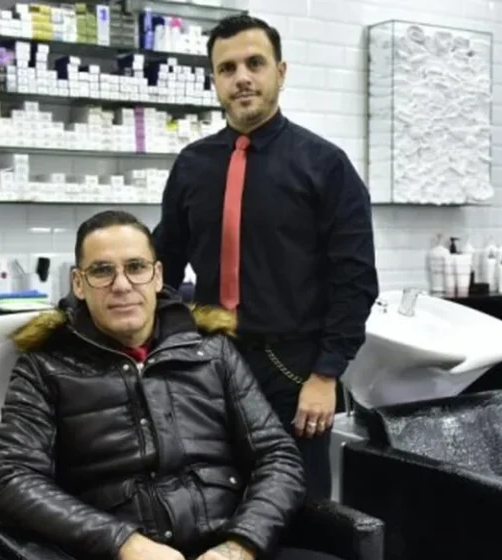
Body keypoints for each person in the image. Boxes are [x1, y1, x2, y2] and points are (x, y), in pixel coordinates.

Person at [0, 211, 412, 560]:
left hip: (233, 558)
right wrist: (122, 543)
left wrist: (243, 543)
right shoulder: (46, 368)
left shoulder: (210, 351)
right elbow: (10, 476)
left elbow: (277, 455)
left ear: (157, 275)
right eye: (102, 271)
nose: (121, 285)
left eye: (135, 267)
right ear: (79, 283)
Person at [153, 14, 379, 499]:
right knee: (215, 495)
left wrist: (326, 375)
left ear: (281, 71)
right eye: (227, 68)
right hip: (211, 363)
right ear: (214, 80)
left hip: (293, 369)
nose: (242, 78)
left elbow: (355, 278)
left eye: (254, 63)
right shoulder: (192, 165)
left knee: (298, 504)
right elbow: (163, 262)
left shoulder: (326, 165)